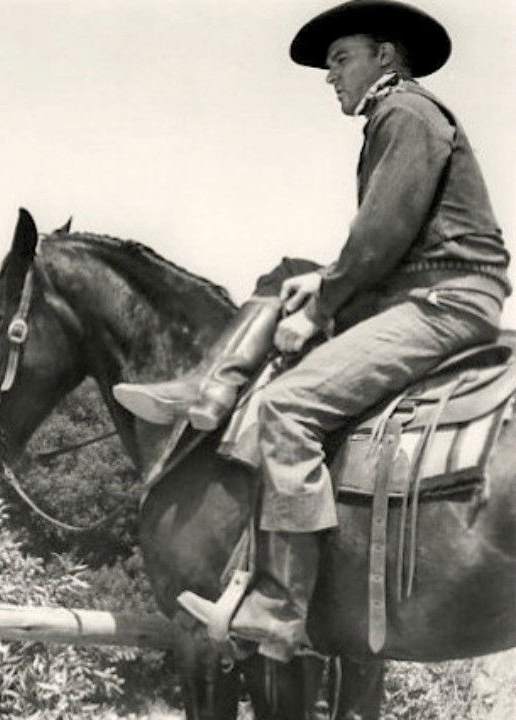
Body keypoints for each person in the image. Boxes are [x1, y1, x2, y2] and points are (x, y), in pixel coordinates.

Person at [112, 0, 509, 662]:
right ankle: (206, 390)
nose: (331, 76)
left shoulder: (405, 112)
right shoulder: (401, 115)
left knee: (285, 409)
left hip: (441, 303)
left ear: (385, 56)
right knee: (286, 274)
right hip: (424, 291)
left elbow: (380, 235)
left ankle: (279, 606)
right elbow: (390, 243)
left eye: (341, 59)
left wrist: (322, 305)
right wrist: (317, 282)